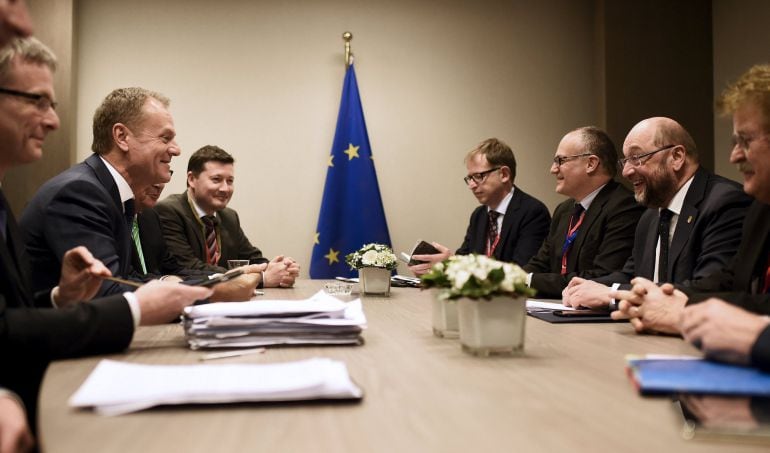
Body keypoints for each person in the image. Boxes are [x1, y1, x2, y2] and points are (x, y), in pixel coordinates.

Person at [0, 36, 212, 432]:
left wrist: (62, 296)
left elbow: (18, 310)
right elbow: (112, 292)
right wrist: (182, 296)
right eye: (37, 101)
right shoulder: (78, 191)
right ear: (122, 137)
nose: (53, 120)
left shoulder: (122, 200)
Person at [612, 64, 770, 368]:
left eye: (745, 141)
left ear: (677, 156)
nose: (734, 156)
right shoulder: (761, 208)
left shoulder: (730, 201)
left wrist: (683, 312)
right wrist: (667, 300)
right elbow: (729, 280)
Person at [561, 117, 751, 309]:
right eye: (625, 161)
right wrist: (590, 287)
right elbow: (632, 276)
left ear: (677, 157)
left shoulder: (725, 202)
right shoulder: (650, 217)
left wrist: (613, 295)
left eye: (636, 157)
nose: (626, 171)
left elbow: (709, 288)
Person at [522, 126, 643, 298]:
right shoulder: (563, 210)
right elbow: (540, 263)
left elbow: (602, 277)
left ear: (591, 164)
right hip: (555, 308)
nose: (553, 169)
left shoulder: (625, 207)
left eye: (560, 160)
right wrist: (510, 280)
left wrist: (527, 280)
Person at [155, 145, 299, 288]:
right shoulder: (169, 211)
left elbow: (251, 257)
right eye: (216, 179)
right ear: (192, 179)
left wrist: (280, 268)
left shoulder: (229, 216)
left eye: (230, 181)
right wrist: (260, 278)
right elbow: (187, 267)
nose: (225, 188)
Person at [408, 138, 550, 275]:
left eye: (479, 176)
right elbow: (465, 257)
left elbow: (520, 271)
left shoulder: (533, 212)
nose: (472, 185)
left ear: (504, 174)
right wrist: (437, 270)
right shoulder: (479, 215)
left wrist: (454, 264)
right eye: (470, 178)